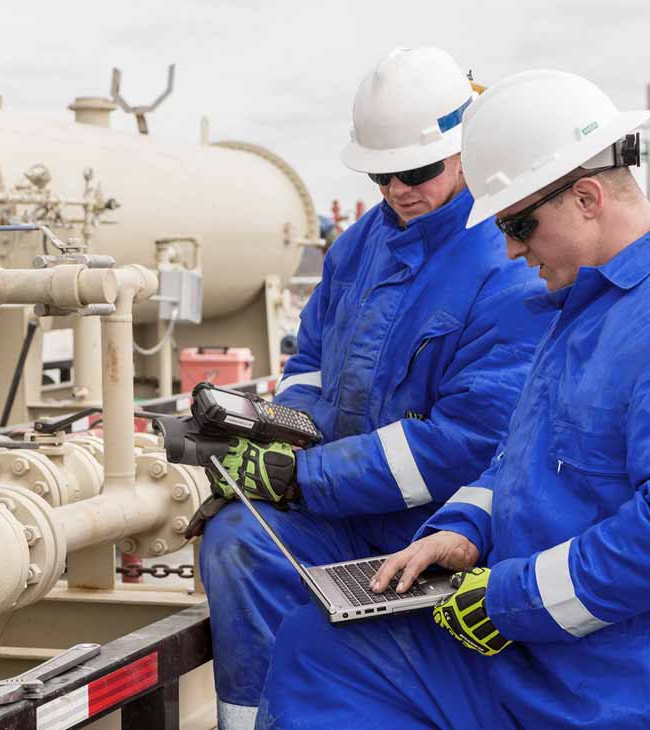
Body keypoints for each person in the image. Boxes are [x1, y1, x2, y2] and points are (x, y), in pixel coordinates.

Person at [256, 68, 650, 729]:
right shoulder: (586, 302)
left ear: (586, 198)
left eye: (518, 223)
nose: (512, 250)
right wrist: (464, 531)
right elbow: (520, 457)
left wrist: (510, 598)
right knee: (317, 647)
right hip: (545, 644)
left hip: (622, 670)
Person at [196, 48, 554, 729]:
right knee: (240, 540)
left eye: (416, 171)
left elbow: (467, 441)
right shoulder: (359, 246)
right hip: (343, 509)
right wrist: (284, 435)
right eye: (380, 172)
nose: (397, 189)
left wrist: (303, 479)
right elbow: (309, 364)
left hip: (443, 529)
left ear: (465, 148)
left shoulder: (509, 264)